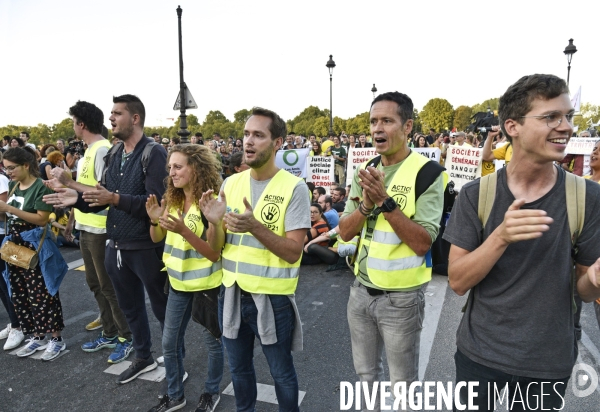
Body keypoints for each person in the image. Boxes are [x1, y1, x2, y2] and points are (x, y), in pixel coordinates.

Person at [444, 74, 600, 410]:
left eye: (568, 117)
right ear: (512, 127)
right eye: (550, 118)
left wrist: (595, 280)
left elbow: (584, 291)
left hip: (547, 363)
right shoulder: (477, 195)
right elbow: (457, 281)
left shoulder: (587, 197)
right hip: (479, 356)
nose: (566, 127)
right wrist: (500, 236)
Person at [43, 94, 169, 383]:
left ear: (135, 118)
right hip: (116, 245)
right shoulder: (114, 153)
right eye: (111, 113)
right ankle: (143, 356)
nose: (111, 118)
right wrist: (73, 196)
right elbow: (102, 200)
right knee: (130, 308)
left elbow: (154, 203)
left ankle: (176, 362)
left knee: (163, 311)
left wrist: (112, 197)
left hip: (146, 246)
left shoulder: (154, 152)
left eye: (117, 113)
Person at [338, 91, 444, 411]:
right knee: (366, 376)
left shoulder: (428, 173)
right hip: (360, 293)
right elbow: (345, 231)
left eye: (387, 120)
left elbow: (423, 242)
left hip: (401, 300)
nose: (377, 128)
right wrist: (367, 205)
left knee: (403, 387)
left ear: (407, 126)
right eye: (373, 121)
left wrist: (384, 202)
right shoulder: (365, 169)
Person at [203, 107, 310, 411]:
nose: (248, 141)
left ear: (278, 143)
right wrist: (213, 222)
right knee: (238, 371)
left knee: (281, 374)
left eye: (258, 135)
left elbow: (292, 253)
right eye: (246, 134)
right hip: (232, 292)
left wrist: (254, 227)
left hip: (272, 298)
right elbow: (218, 248)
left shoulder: (294, 187)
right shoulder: (231, 183)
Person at [47, 100, 134, 364]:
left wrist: (69, 185)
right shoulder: (89, 152)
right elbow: (80, 192)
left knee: (108, 286)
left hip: (100, 228)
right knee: (95, 284)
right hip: (87, 227)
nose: (73, 127)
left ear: (81, 124)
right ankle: (109, 331)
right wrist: (72, 217)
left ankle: (126, 337)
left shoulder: (102, 150)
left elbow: (101, 192)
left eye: (74, 122)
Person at [145, 144, 224, 412]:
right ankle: (175, 395)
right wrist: (155, 220)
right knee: (169, 343)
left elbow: (214, 254)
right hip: (178, 284)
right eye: (170, 167)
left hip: (207, 286)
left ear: (196, 169)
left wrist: (182, 230)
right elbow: (157, 238)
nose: (171, 173)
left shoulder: (209, 204)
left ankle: (211, 393)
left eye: (178, 166)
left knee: (213, 344)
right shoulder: (174, 199)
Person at [1, 147, 68, 361]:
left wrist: (9, 209)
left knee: (43, 292)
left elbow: (41, 219)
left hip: (33, 245)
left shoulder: (41, 187)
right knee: (21, 293)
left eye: (12, 168)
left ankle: (56, 339)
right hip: (14, 246)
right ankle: (38, 336)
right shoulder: (13, 186)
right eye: (5, 167)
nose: (8, 172)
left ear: (26, 166)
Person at [0, 152, 24, 351]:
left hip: (3, 236)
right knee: (2, 284)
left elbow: (5, 210)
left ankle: (18, 325)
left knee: (9, 281)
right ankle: (13, 321)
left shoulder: (1, 180)